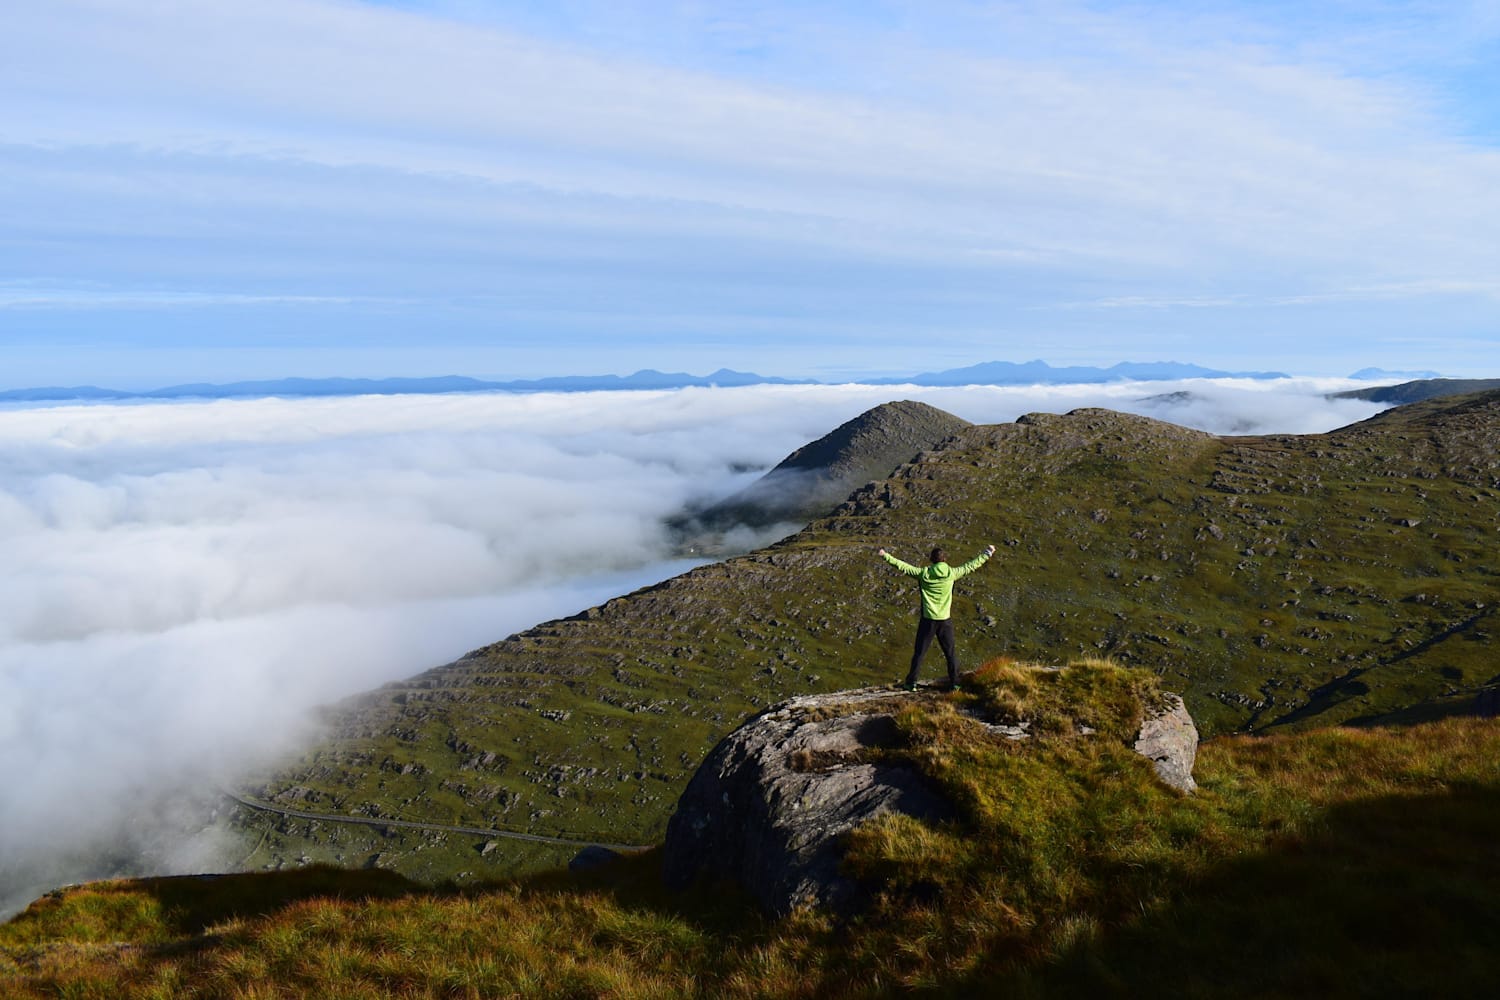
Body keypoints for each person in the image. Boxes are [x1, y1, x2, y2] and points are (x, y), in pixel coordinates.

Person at [878, 543, 996, 691]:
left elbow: (903, 566)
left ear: (931, 560)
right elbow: (971, 566)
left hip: (928, 620)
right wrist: (987, 553)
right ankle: (955, 683)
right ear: (944, 559)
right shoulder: (952, 573)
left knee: (920, 653)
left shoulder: (923, 574)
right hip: (945, 620)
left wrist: (885, 556)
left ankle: (911, 683)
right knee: (950, 653)